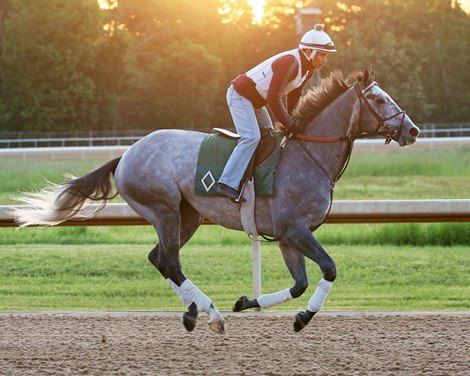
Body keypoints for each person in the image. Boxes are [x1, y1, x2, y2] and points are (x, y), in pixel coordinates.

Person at [216, 24, 337, 201]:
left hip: (256, 102)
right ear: (309, 51)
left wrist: (294, 120)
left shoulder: (308, 71)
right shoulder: (291, 62)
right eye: (323, 55)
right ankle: (227, 183)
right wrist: (289, 124)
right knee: (251, 137)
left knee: (270, 138)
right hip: (239, 95)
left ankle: (253, 181)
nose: (325, 60)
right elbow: (274, 97)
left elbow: (294, 97)